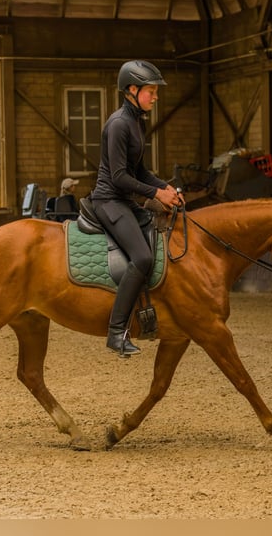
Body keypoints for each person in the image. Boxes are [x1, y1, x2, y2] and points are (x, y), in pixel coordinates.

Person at [91, 59, 183, 356]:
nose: (155, 97)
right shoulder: (119, 124)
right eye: (151, 92)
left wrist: (166, 187)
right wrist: (156, 193)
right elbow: (119, 177)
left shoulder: (135, 122)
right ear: (132, 89)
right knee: (142, 258)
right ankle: (117, 331)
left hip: (124, 200)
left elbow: (140, 172)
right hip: (109, 201)